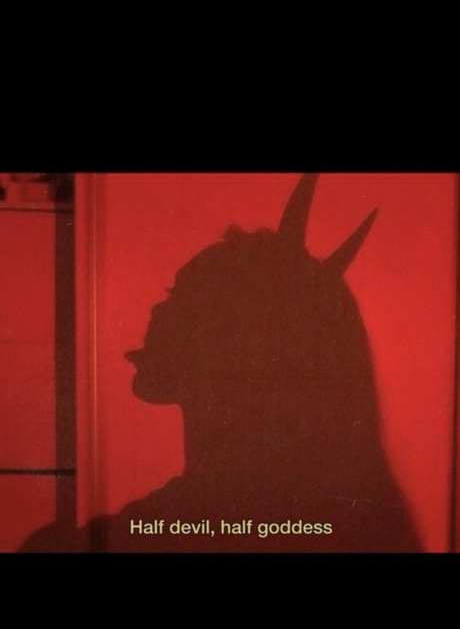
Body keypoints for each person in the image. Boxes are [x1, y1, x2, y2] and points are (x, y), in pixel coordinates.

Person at [20, 174, 421, 553]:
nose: (158, 310)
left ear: (236, 342)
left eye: (179, 296)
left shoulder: (205, 517)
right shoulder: (322, 508)